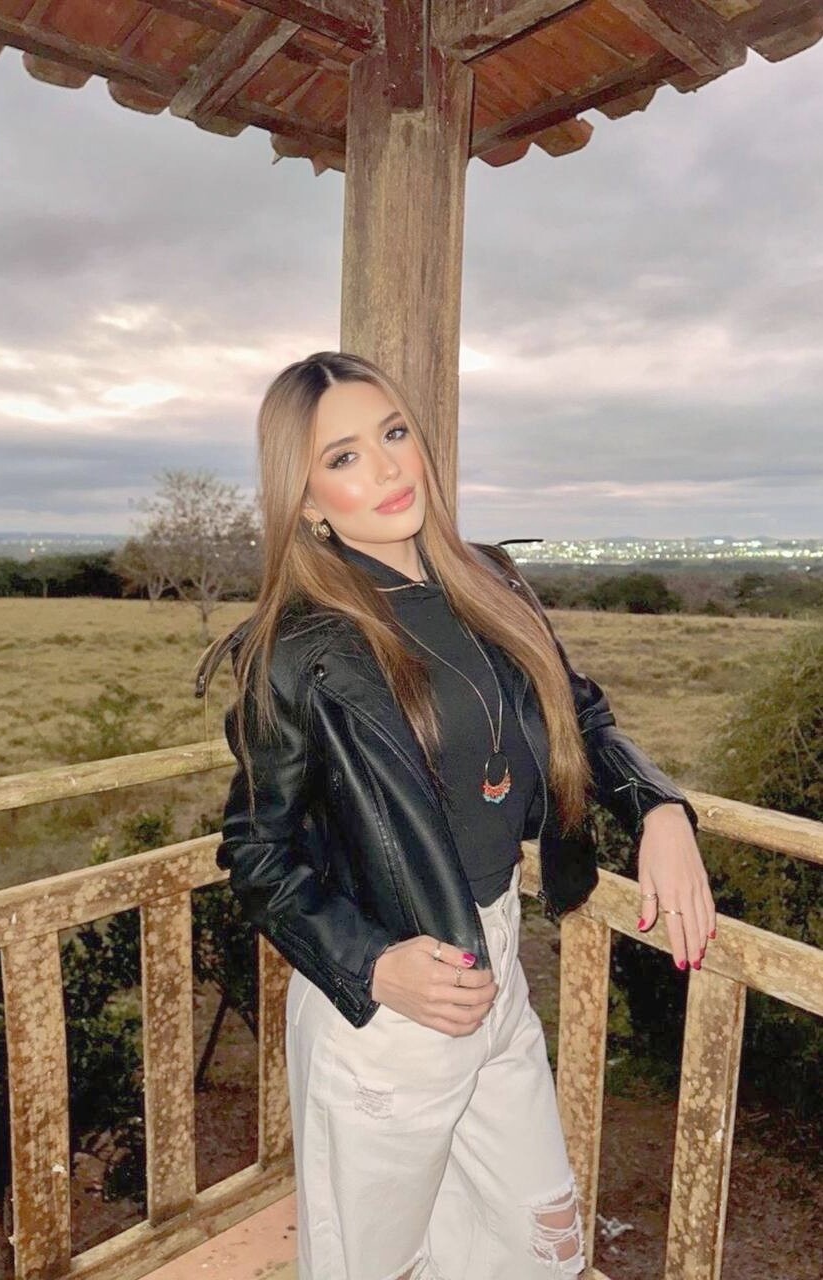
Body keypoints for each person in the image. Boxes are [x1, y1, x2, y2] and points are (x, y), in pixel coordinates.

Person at [194, 351, 716, 1280]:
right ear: (306, 501)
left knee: (539, 1245)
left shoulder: (489, 582)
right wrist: (371, 965)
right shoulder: (298, 650)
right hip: (394, 1002)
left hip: (497, 964)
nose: (387, 467)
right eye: (344, 457)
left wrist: (660, 809)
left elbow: (580, 715)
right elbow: (256, 849)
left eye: (394, 434)